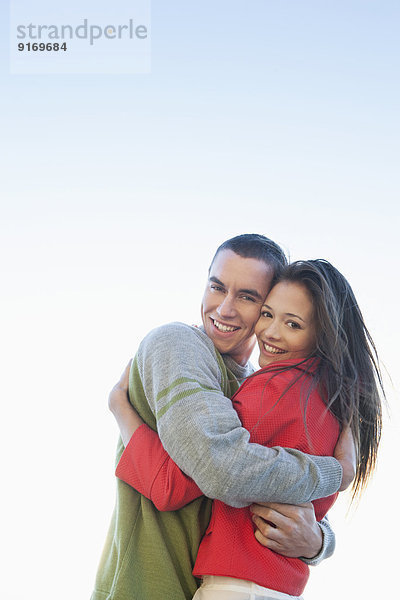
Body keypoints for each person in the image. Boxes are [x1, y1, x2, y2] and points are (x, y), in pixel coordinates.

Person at [91, 236, 355, 600]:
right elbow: (222, 470)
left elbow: (268, 488)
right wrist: (335, 473)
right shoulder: (180, 344)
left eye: (247, 297)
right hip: (147, 584)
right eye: (216, 287)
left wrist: (318, 541)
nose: (224, 309)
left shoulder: (263, 391)